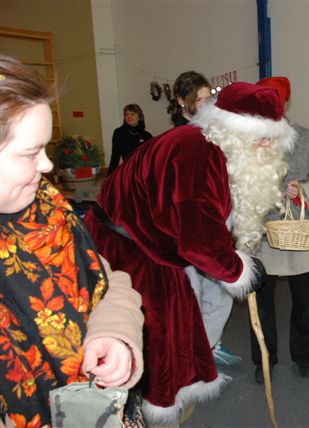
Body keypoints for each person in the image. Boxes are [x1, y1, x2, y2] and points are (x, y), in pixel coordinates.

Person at [84, 82, 293, 424]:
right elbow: (199, 238)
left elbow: (205, 217)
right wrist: (240, 271)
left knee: (176, 327)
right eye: (260, 135)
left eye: (272, 137)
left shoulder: (211, 146)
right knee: (153, 336)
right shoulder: (200, 153)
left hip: (151, 243)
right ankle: (138, 411)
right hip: (129, 249)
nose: (267, 144)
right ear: (233, 127)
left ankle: (157, 401)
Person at [0, 54, 144, 426]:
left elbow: (107, 281)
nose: (47, 165)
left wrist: (115, 332)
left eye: (45, 148)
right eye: (30, 153)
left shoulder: (48, 206)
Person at [249, 76, 309, 383]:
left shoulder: (307, 139)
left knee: (304, 301)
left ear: (285, 103)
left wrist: (302, 191)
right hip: (261, 234)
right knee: (261, 303)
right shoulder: (246, 141)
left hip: (297, 233)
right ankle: (264, 357)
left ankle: (303, 354)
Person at [168, 70, 240, 367]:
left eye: (208, 97)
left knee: (219, 292)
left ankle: (209, 347)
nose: (205, 103)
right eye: (198, 99)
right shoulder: (178, 139)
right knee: (191, 296)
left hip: (217, 226)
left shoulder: (213, 132)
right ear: (180, 101)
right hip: (187, 232)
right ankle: (192, 359)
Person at [108, 104, 152, 174]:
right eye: (126, 114)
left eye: (132, 114)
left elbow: (151, 157)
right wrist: (110, 176)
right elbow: (115, 156)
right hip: (128, 171)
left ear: (139, 117)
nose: (129, 117)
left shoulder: (147, 135)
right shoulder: (119, 132)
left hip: (144, 171)